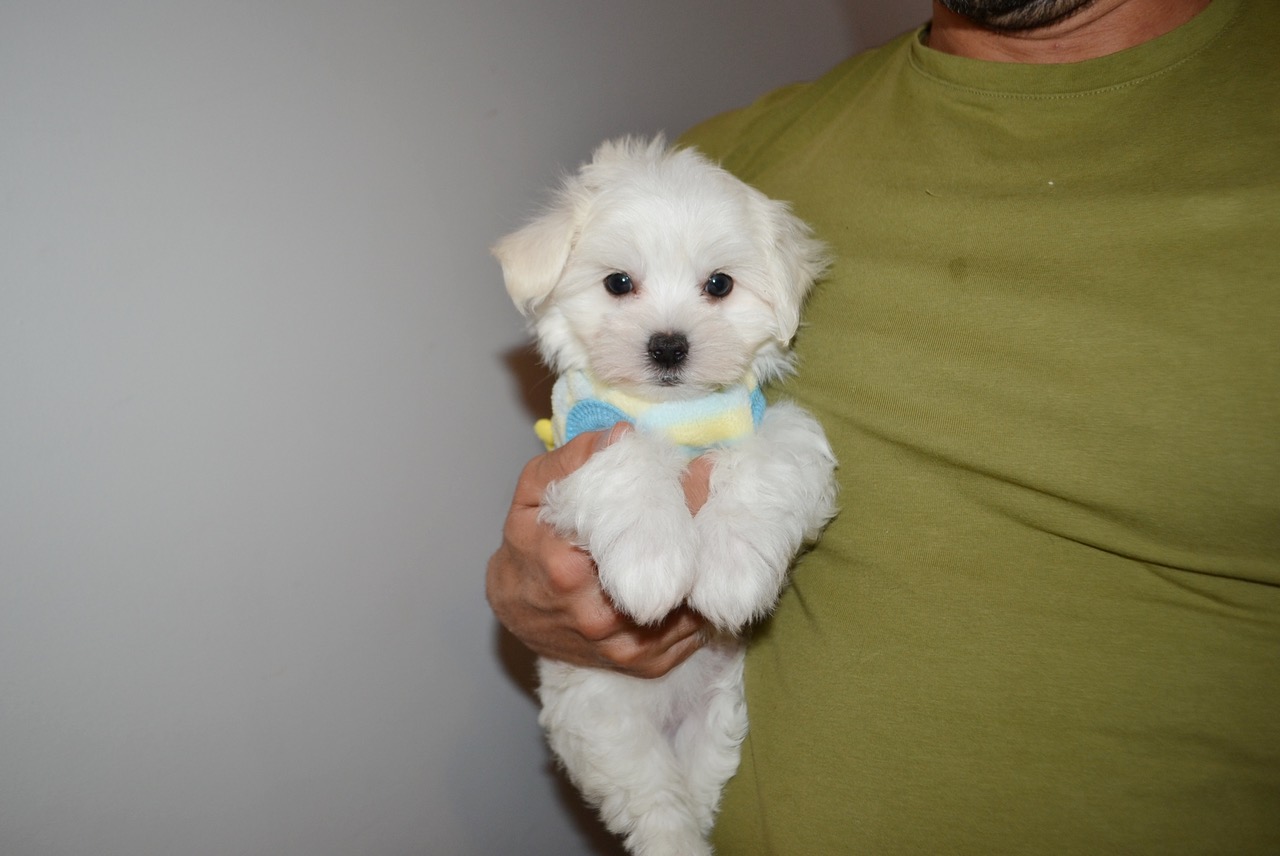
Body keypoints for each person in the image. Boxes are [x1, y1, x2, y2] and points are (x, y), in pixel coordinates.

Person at [487, 0, 1280, 852]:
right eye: (626, 288)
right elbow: (563, 531)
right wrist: (526, 595)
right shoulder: (727, 154)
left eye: (716, 288)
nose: (670, 324)